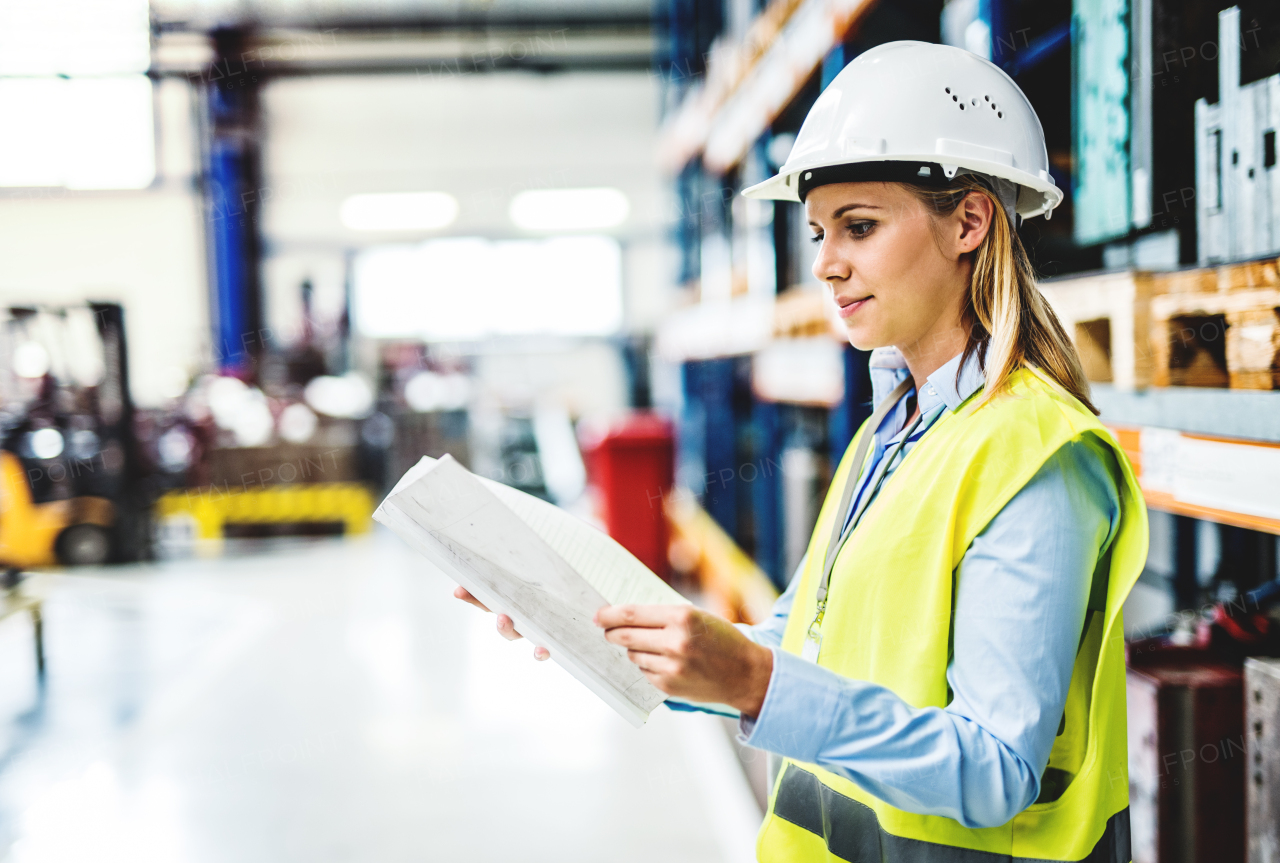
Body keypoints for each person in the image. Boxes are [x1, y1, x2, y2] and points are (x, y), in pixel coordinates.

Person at [456, 41, 1147, 862]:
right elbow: (801, 643)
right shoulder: (889, 434)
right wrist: (614, 634)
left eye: (859, 226)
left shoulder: (1037, 455)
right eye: (818, 231)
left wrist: (753, 680)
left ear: (969, 221)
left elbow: (995, 768)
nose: (824, 263)